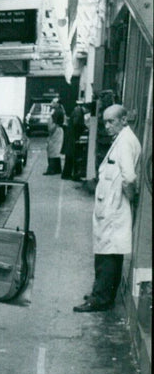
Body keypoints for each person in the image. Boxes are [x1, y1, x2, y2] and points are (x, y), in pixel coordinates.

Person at [74, 104, 141, 313]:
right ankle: (103, 292)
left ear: (123, 120)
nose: (106, 126)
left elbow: (129, 178)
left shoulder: (125, 142)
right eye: (104, 122)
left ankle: (100, 298)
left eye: (111, 121)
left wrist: (128, 199)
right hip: (111, 209)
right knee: (109, 253)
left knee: (108, 255)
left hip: (114, 209)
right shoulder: (123, 139)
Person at [62, 99, 86, 180]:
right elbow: (77, 124)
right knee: (71, 156)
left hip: (70, 136)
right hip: (72, 137)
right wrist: (83, 128)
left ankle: (66, 174)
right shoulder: (79, 112)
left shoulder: (77, 110)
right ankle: (69, 174)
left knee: (69, 156)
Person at [43, 96, 65, 174]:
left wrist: (50, 133)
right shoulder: (60, 110)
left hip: (56, 130)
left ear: (58, 104)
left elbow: (54, 124)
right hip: (58, 130)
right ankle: (57, 169)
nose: (52, 103)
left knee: (52, 149)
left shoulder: (56, 111)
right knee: (56, 150)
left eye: (54, 102)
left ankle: (51, 169)